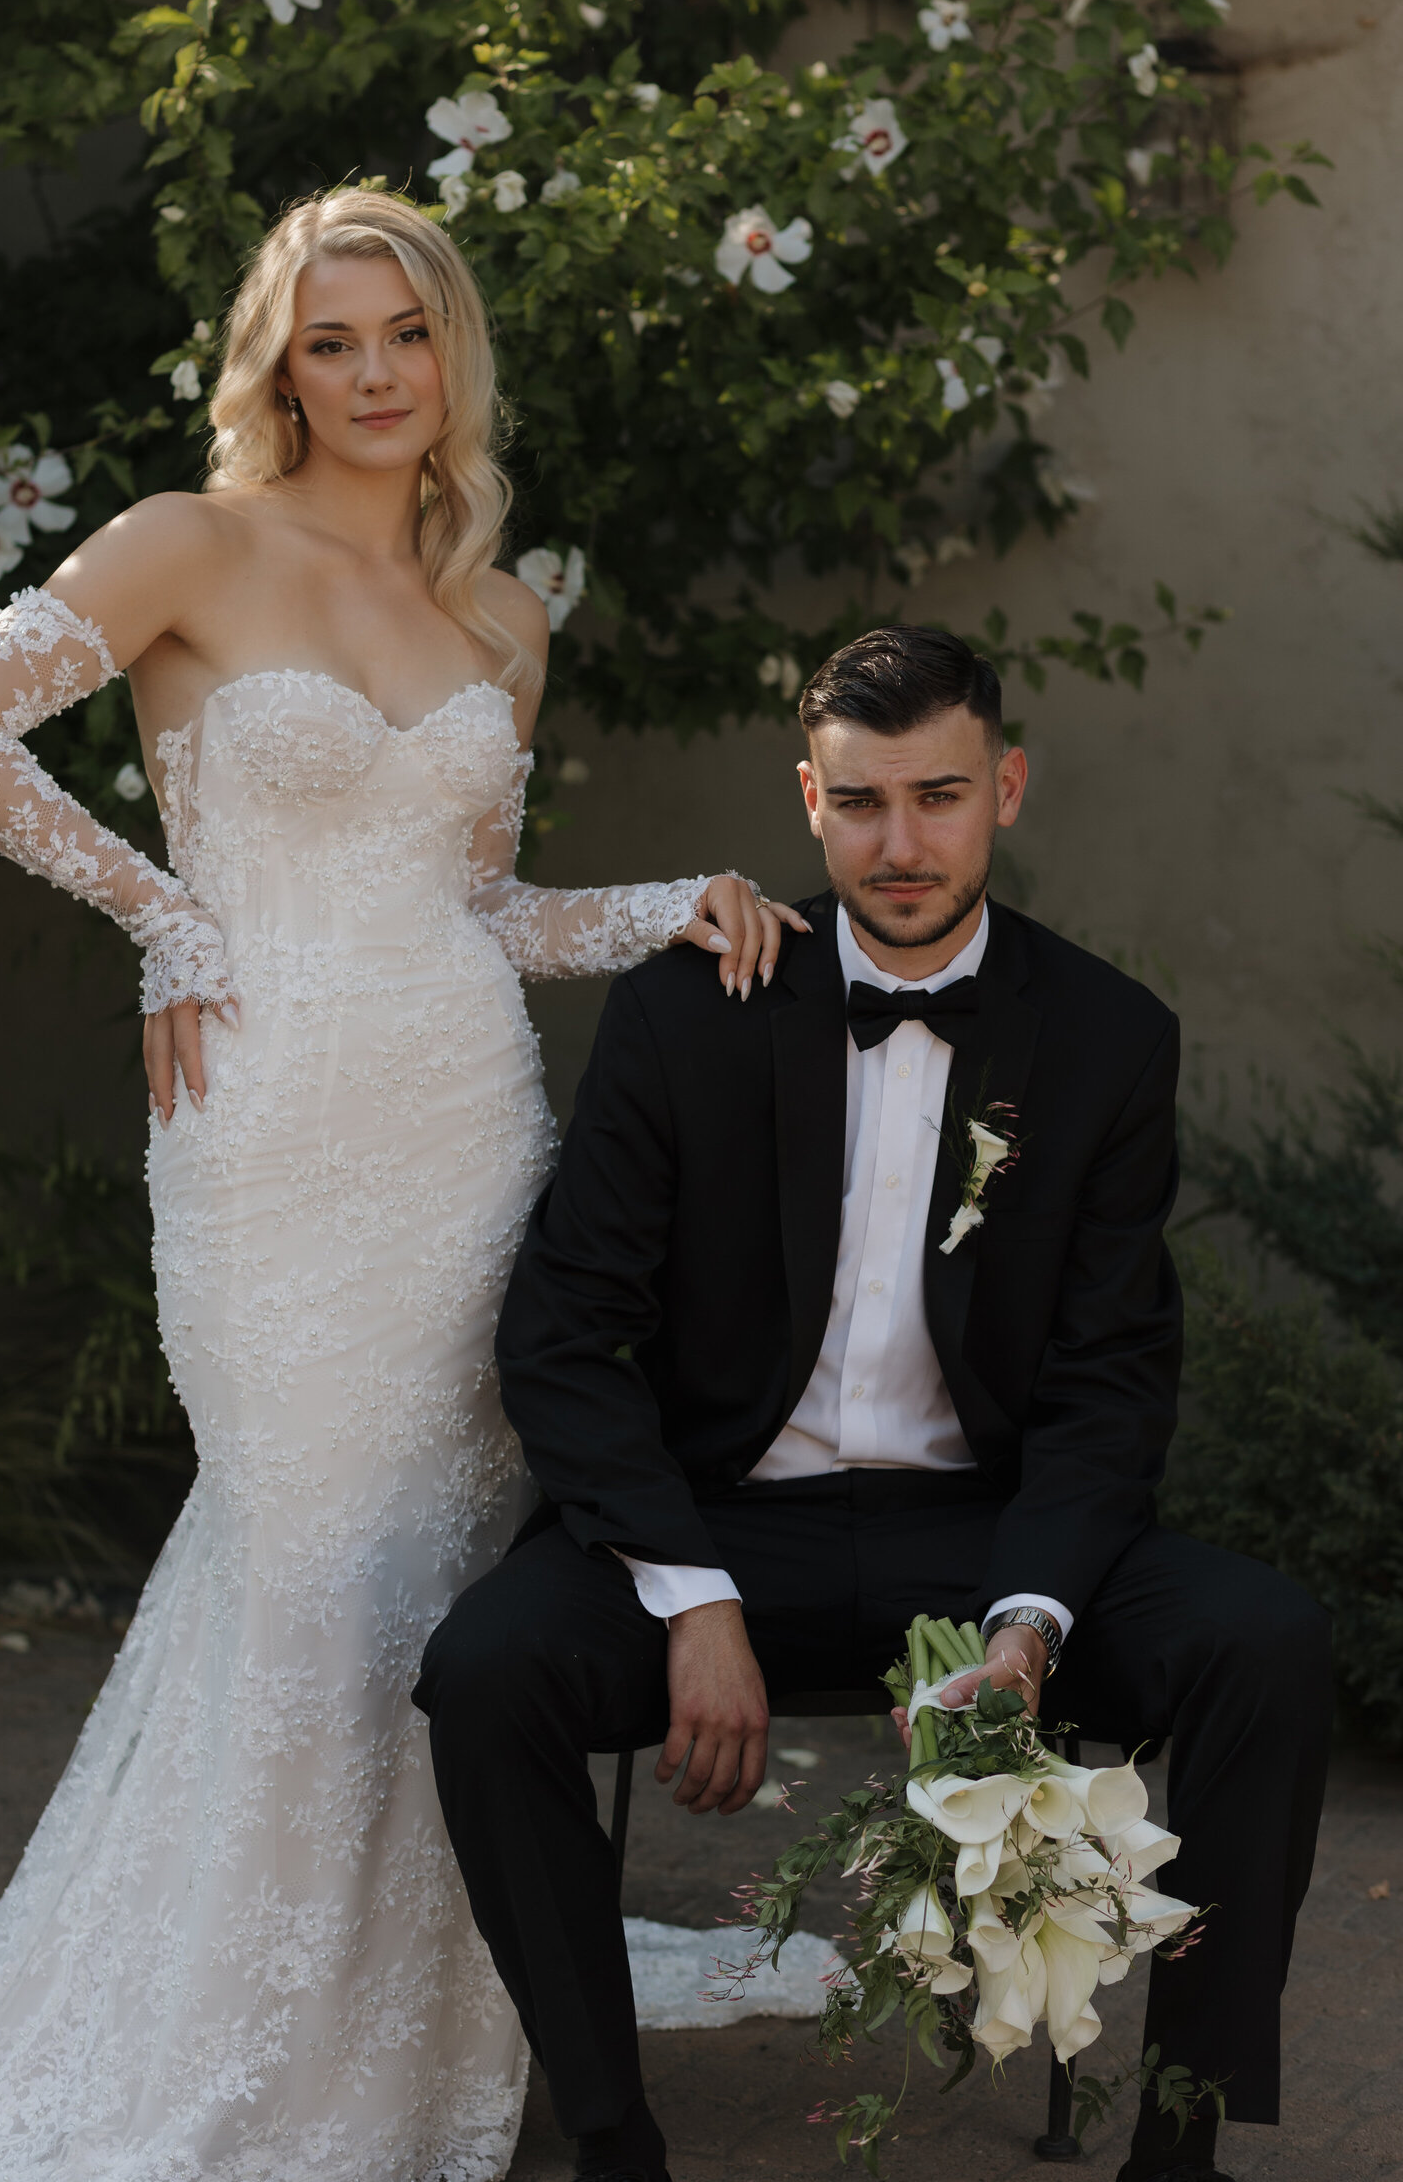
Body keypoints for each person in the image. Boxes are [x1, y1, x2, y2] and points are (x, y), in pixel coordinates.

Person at [0, 188, 803, 2182]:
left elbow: (480, 910)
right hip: (265, 1135)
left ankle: (420, 2026)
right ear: (277, 362)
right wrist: (158, 914)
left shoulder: (496, 618)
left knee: (428, 1585)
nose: (367, 375)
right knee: (302, 1564)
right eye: (328, 339)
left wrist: (662, 905)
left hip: (461, 1130)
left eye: (402, 338)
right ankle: (233, 2039)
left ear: (451, 365)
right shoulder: (189, 548)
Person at [418, 624, 1334, 2182]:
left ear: (1009, 791)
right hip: (721, 1529)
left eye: (939, 797)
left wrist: (1028, 1627)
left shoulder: (1109, 1039)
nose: (900, 845)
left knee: (1261, 1641)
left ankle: (1178, 2146)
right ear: (807, 799)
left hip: (987, 1541)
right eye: (860, 804)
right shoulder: (685, 1016)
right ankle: (608, 2135)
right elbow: (564, 1337)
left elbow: (1113, 1383)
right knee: (487, 1671)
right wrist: (689, 1595)